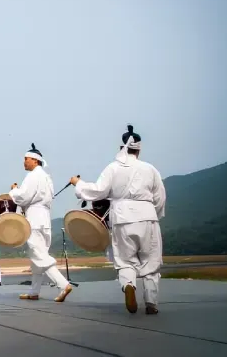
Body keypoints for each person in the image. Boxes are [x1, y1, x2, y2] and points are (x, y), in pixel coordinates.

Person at [71, 125, 166, 315]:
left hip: (122, 217)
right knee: (151, 261)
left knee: (125, 260)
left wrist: (78, 183)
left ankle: (129, 285)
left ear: (120, 147)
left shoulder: (113, 168)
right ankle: (151, 302)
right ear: (138, 149)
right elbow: (160, 197)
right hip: (148, 216)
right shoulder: (150, 169)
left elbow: (98, 191)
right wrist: (153, 213)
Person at [9, 143, 73, 302]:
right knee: (38, 255)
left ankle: (63, 284)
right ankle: (34, 291)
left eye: (26, 159)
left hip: (34, 218)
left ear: (35, 160)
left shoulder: (33, 176)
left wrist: (13, 190)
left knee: (38, 254)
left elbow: (23, 197)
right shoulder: (46, 177)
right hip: (44, 218)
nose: (24, 162)